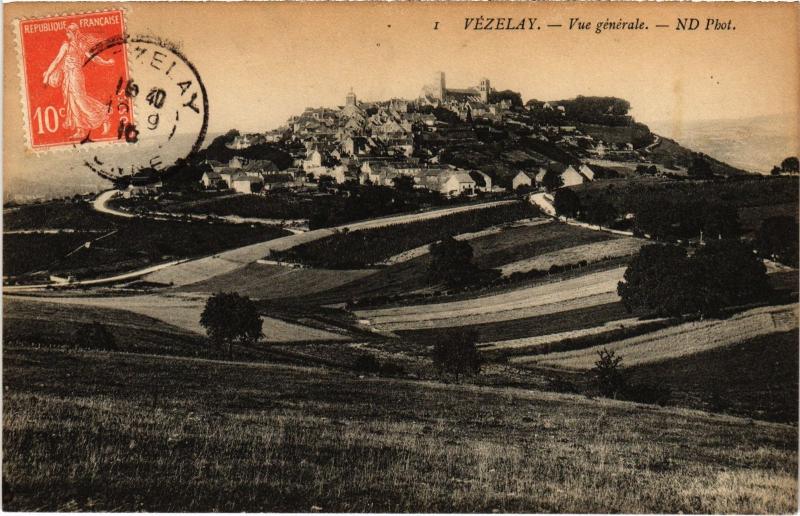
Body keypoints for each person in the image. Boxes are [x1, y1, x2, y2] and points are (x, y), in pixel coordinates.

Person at [42, 23, 115, 138]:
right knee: (72, 102)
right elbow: (56, 61)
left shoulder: (80, 45)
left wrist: (106, 62)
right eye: (67, 32)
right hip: (68, 76)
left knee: (81, 101)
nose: (67, 35)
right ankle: (80, 130)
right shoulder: (66, 45)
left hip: (76, 76)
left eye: (68, 32)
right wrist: (47, 75)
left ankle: (104, 118)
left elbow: (93, 57)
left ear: (74, 33)